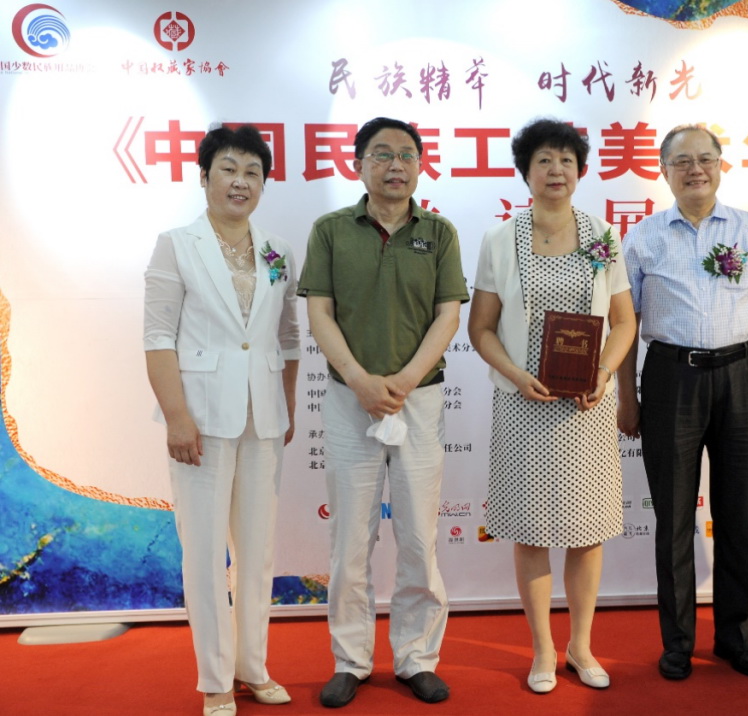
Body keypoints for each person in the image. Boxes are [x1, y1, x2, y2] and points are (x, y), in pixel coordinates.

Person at [299, 117, 469, 708]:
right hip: (350, 401)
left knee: (419, 537)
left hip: (418, 399)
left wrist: (403, 380)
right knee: (350, 539)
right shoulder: (330, 231)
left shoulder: (439, 232)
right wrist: (359, 379)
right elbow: (319, 313)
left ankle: (416, 657)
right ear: (359, 164)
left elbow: (449, 315)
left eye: (406, 155)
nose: (395, 165)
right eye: (381, 154)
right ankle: (351, 660)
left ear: (420, 165)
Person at [616, 124, 748, 681]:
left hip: (743, 375)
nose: (695, 169)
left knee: (736, 515)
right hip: (671, 377)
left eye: (705, 159)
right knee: (672, 517)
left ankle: (736, 640)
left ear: (721, 166)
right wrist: (626, 395)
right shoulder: (642, 237)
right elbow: (626, 323)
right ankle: (677, 643)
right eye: (682, 161)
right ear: (663, 170)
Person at [468, 118, 636, 694]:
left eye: (566, 160)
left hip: (586, 407)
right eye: (543, 160)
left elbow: (623, 322)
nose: (556, 170)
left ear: (581, 171)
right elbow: (481, 328)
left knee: (587, 530)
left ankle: (580, 646)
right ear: (526, 172)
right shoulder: (500, 239)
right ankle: (542, 649)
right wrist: (516, 375)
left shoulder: (602, 234)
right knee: (531, 529)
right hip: (524, 406)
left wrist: (604, 373)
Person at [144, 124, 299, 716]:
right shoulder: (176, 244)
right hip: (201, 420)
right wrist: (176, 417)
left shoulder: (277, 249)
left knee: (257, 552)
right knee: (206, 555)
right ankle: (214, 679)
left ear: (263, 183)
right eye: (229, 169)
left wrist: (285, 404)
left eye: (252, 172)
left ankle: (252, 667)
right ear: (205, 176)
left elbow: (288, 337)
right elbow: (158, 337)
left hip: (264, 418)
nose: (241, 182)